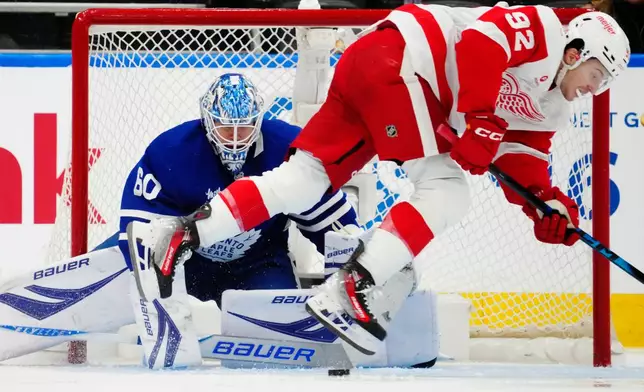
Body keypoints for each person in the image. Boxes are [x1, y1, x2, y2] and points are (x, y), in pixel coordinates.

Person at [135, 4, 631, 355]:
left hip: (376, 68)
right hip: (401, 62)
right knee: (447, 189)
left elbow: (522, 159)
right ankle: (352, 289)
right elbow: (483, 40)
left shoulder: (554, 107)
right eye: (597, 73)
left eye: (605, 83)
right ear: (576, 49)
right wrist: (479, 118)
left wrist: (545, 204)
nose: (595, 88)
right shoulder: (545, 28)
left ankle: (181, 235)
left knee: (304, 180)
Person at [122, 73, 359, 368]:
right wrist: (145, 288)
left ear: (258, 121)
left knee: (279, 354)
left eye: (244, 127)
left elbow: (332, 228)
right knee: (128, 260)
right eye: (225, 127)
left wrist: (360, 267)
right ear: (207, 122)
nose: (235, 138)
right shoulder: (172, 152)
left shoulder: (287, 149)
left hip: (258, 265)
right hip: (187, 264)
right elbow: (140, 230)